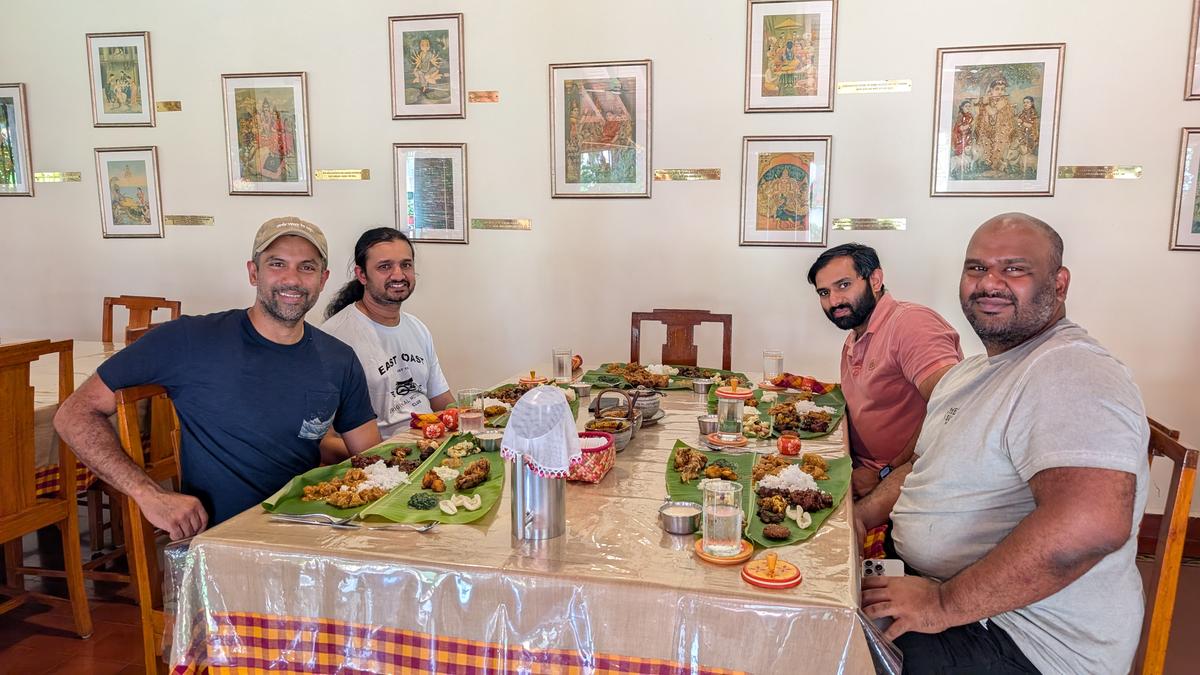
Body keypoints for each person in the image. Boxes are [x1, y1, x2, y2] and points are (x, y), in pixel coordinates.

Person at [859, 213, 1149, 675]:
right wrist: (861, 517)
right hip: (943, 594)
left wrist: (942, 603)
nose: (989, 283)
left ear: (1059, 284)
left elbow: (1091, 524)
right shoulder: (974, 372)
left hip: (1020, 638)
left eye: (1014, 269)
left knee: (812, 648)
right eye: (976, 268)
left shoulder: (1071, 369)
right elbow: (921, 465)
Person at [54, 217, 381, 538]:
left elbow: (371, 460)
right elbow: (73, 414)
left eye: (306, 267)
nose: (292, 279)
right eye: (277, 264)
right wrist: (148, 493)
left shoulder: (339, 359)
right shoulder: (190, 339)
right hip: (220, 543)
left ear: (323, 280)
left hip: (307, 534)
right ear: (253, 272)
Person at [807, 243, 962, 499]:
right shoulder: (855, 337)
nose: (834, 301)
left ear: (875, 280)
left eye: (843, 285)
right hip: (857, 464)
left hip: (905, 479)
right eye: (824, 292)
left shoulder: (911, 324)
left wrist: (885, 473)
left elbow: (953, 407)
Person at [321, 227, 453, 458]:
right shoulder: (333, 338)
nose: (398, 275)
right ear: (362, 275)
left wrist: (472, 421)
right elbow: (324, 442)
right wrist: (383, 457)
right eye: (385, 267)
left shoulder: (418, 328)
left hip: (431, 448)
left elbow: (442, 401)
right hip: (385, 460)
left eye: (406, 265)